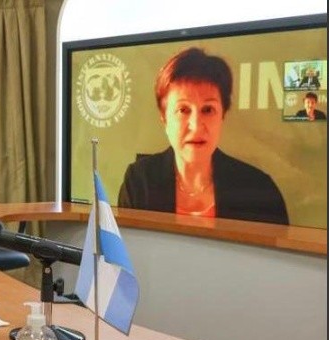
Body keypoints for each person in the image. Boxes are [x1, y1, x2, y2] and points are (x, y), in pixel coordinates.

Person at [118, 47, 289, 225]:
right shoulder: (139, 182)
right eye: (183, 110)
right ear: (164, 118)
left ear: (222, 114)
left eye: (208, 110)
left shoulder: (260, 191)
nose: (196, 126)